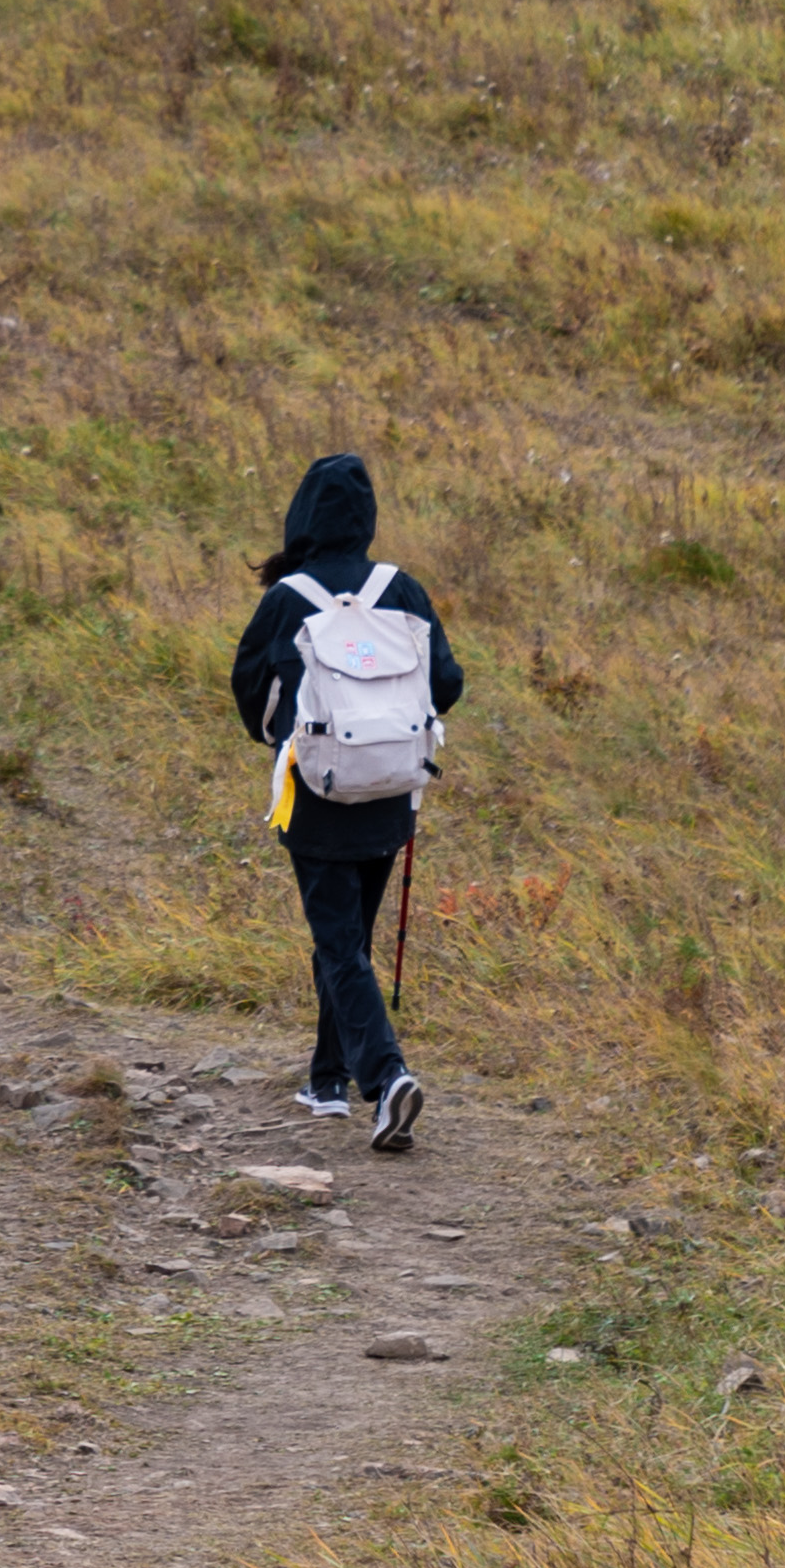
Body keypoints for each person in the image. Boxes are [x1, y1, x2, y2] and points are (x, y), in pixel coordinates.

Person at [229, 450, 463, 1155]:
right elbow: (446, 684)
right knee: (348, 943)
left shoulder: (287, 597)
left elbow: (248, 696)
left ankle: (385, 1079)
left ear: (302, 516)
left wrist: (291, 741)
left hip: (313, 794)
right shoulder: (403, 591)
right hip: (393, 792)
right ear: (366, 518)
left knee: (337, 943)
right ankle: (325, 1080)